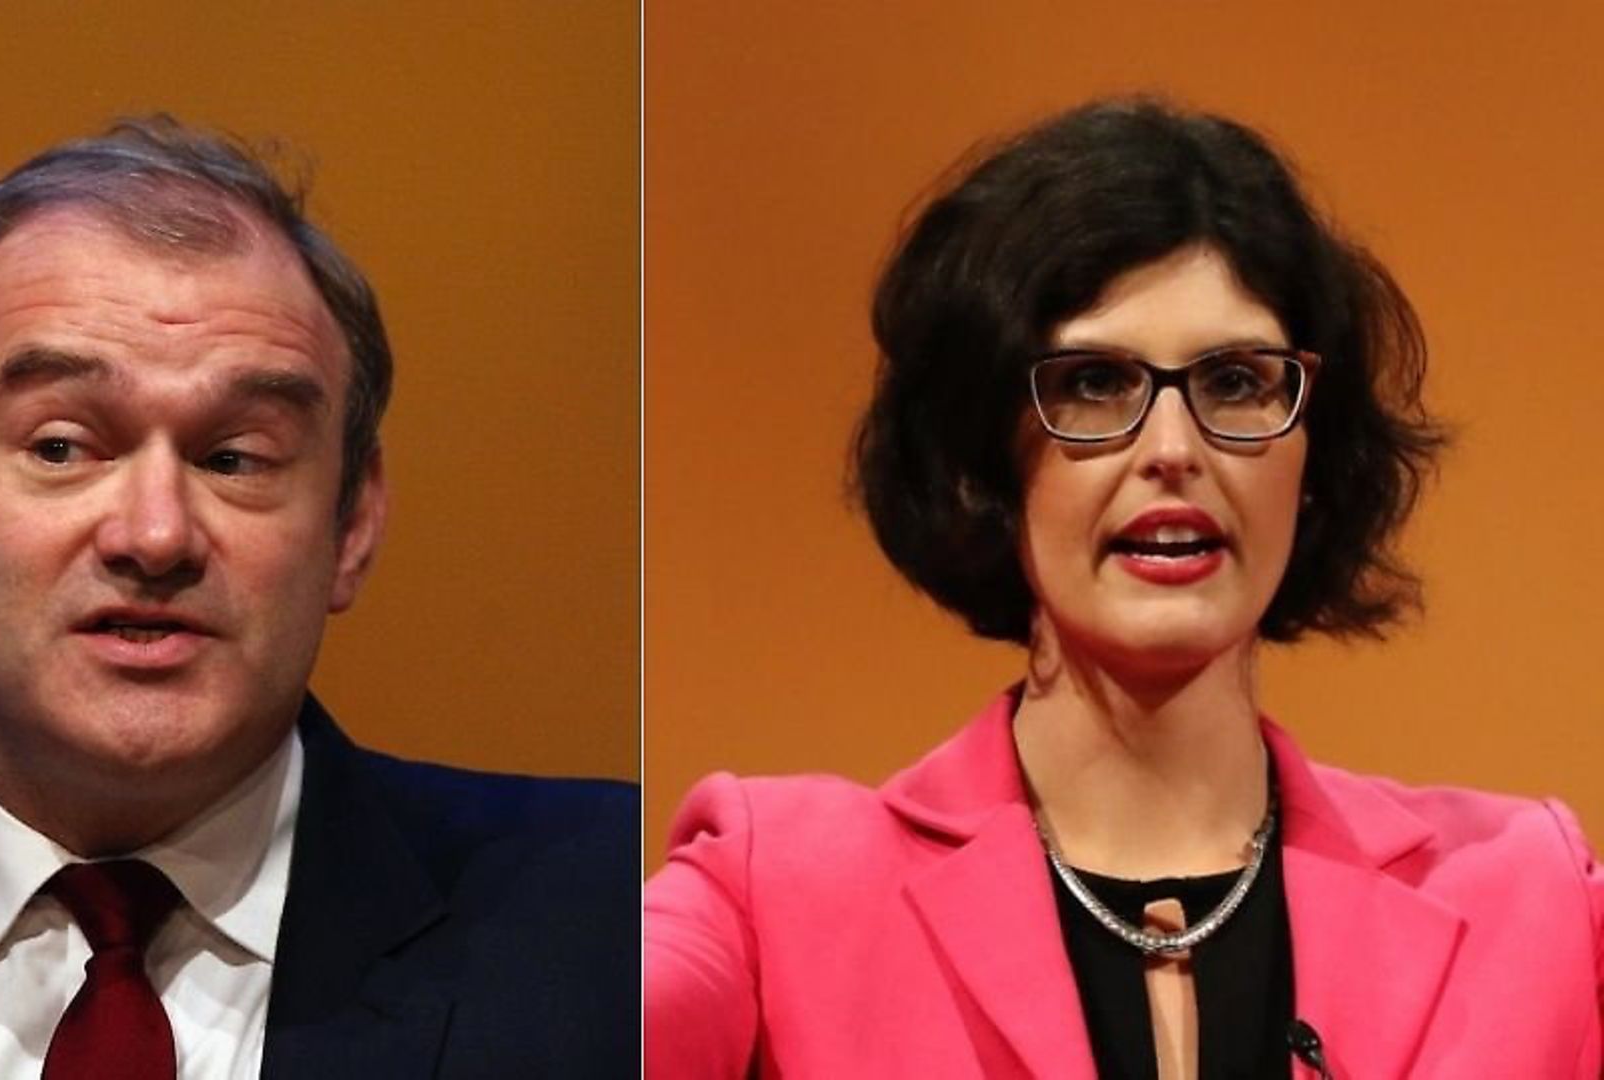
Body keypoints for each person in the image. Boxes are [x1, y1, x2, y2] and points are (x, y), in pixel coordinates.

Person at [644, 98, 1604, 1077]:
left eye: (1236, 381)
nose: (1175, 451)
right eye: (1095, 384)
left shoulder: (1531, 898)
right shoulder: (776, 893)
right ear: (981, 460)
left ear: (1313, 461)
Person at [0, 117, 636, 1079]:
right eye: (61, 446)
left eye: (234, 459)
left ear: (352, 524)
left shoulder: (615, 926)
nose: (155, 535)